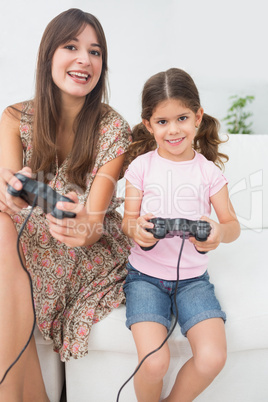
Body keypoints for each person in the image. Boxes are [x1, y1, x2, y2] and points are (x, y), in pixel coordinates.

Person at [0, 8, 132, 401]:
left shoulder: (113, 129)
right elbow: (11, 203)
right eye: (71, 46)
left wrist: (79, 226)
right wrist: (9, 189)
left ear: (101, 66)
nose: (84, 59)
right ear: (48, 57)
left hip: (82, 251)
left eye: (95, 52)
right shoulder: (14, 117)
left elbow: (93, 224)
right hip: (24, 240)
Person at [122, 68, 241, 401]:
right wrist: (139, 230)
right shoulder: (141, 167)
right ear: (148, 124)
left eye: (182, 118)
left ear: (198, 117)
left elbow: (232, 224)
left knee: (213, 357)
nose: (173, 130)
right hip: (144, 277)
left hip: (193, 280)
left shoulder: (209, 172)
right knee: (154, 362)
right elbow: (126, 221)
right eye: (162, 122)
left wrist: (218, 231)